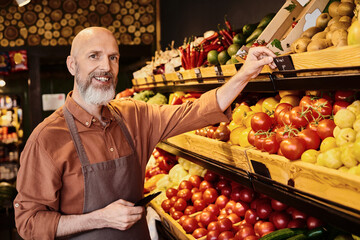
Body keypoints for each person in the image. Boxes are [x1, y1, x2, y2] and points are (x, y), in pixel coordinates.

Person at [14, 27, 276, 239]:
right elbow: (29, 223)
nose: (106, 67)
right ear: (72, 65)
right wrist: (99, 218)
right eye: (94, 56)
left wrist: (245, 74)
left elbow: (197, 111)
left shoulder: (135, 116)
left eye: (113, 57)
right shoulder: (46, 138)